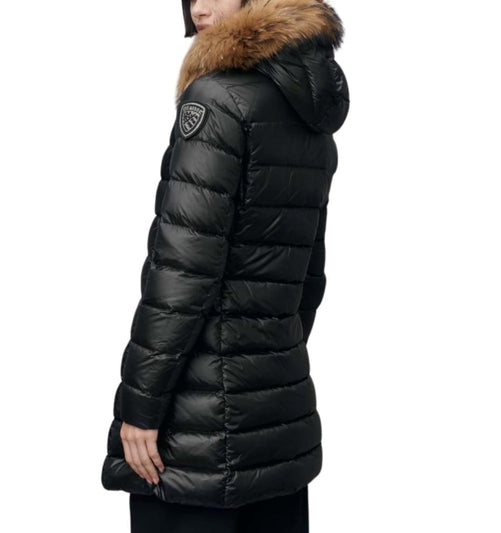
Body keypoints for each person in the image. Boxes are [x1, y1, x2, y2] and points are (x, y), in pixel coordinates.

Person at [101, 0, 350, 530]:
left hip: (195, 435)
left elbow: (180, 273)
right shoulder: (308, 113)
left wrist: (141, 409)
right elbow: (309, 275)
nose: (199, 7)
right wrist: (267, 360)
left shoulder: (215, 99)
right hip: (280, 418)